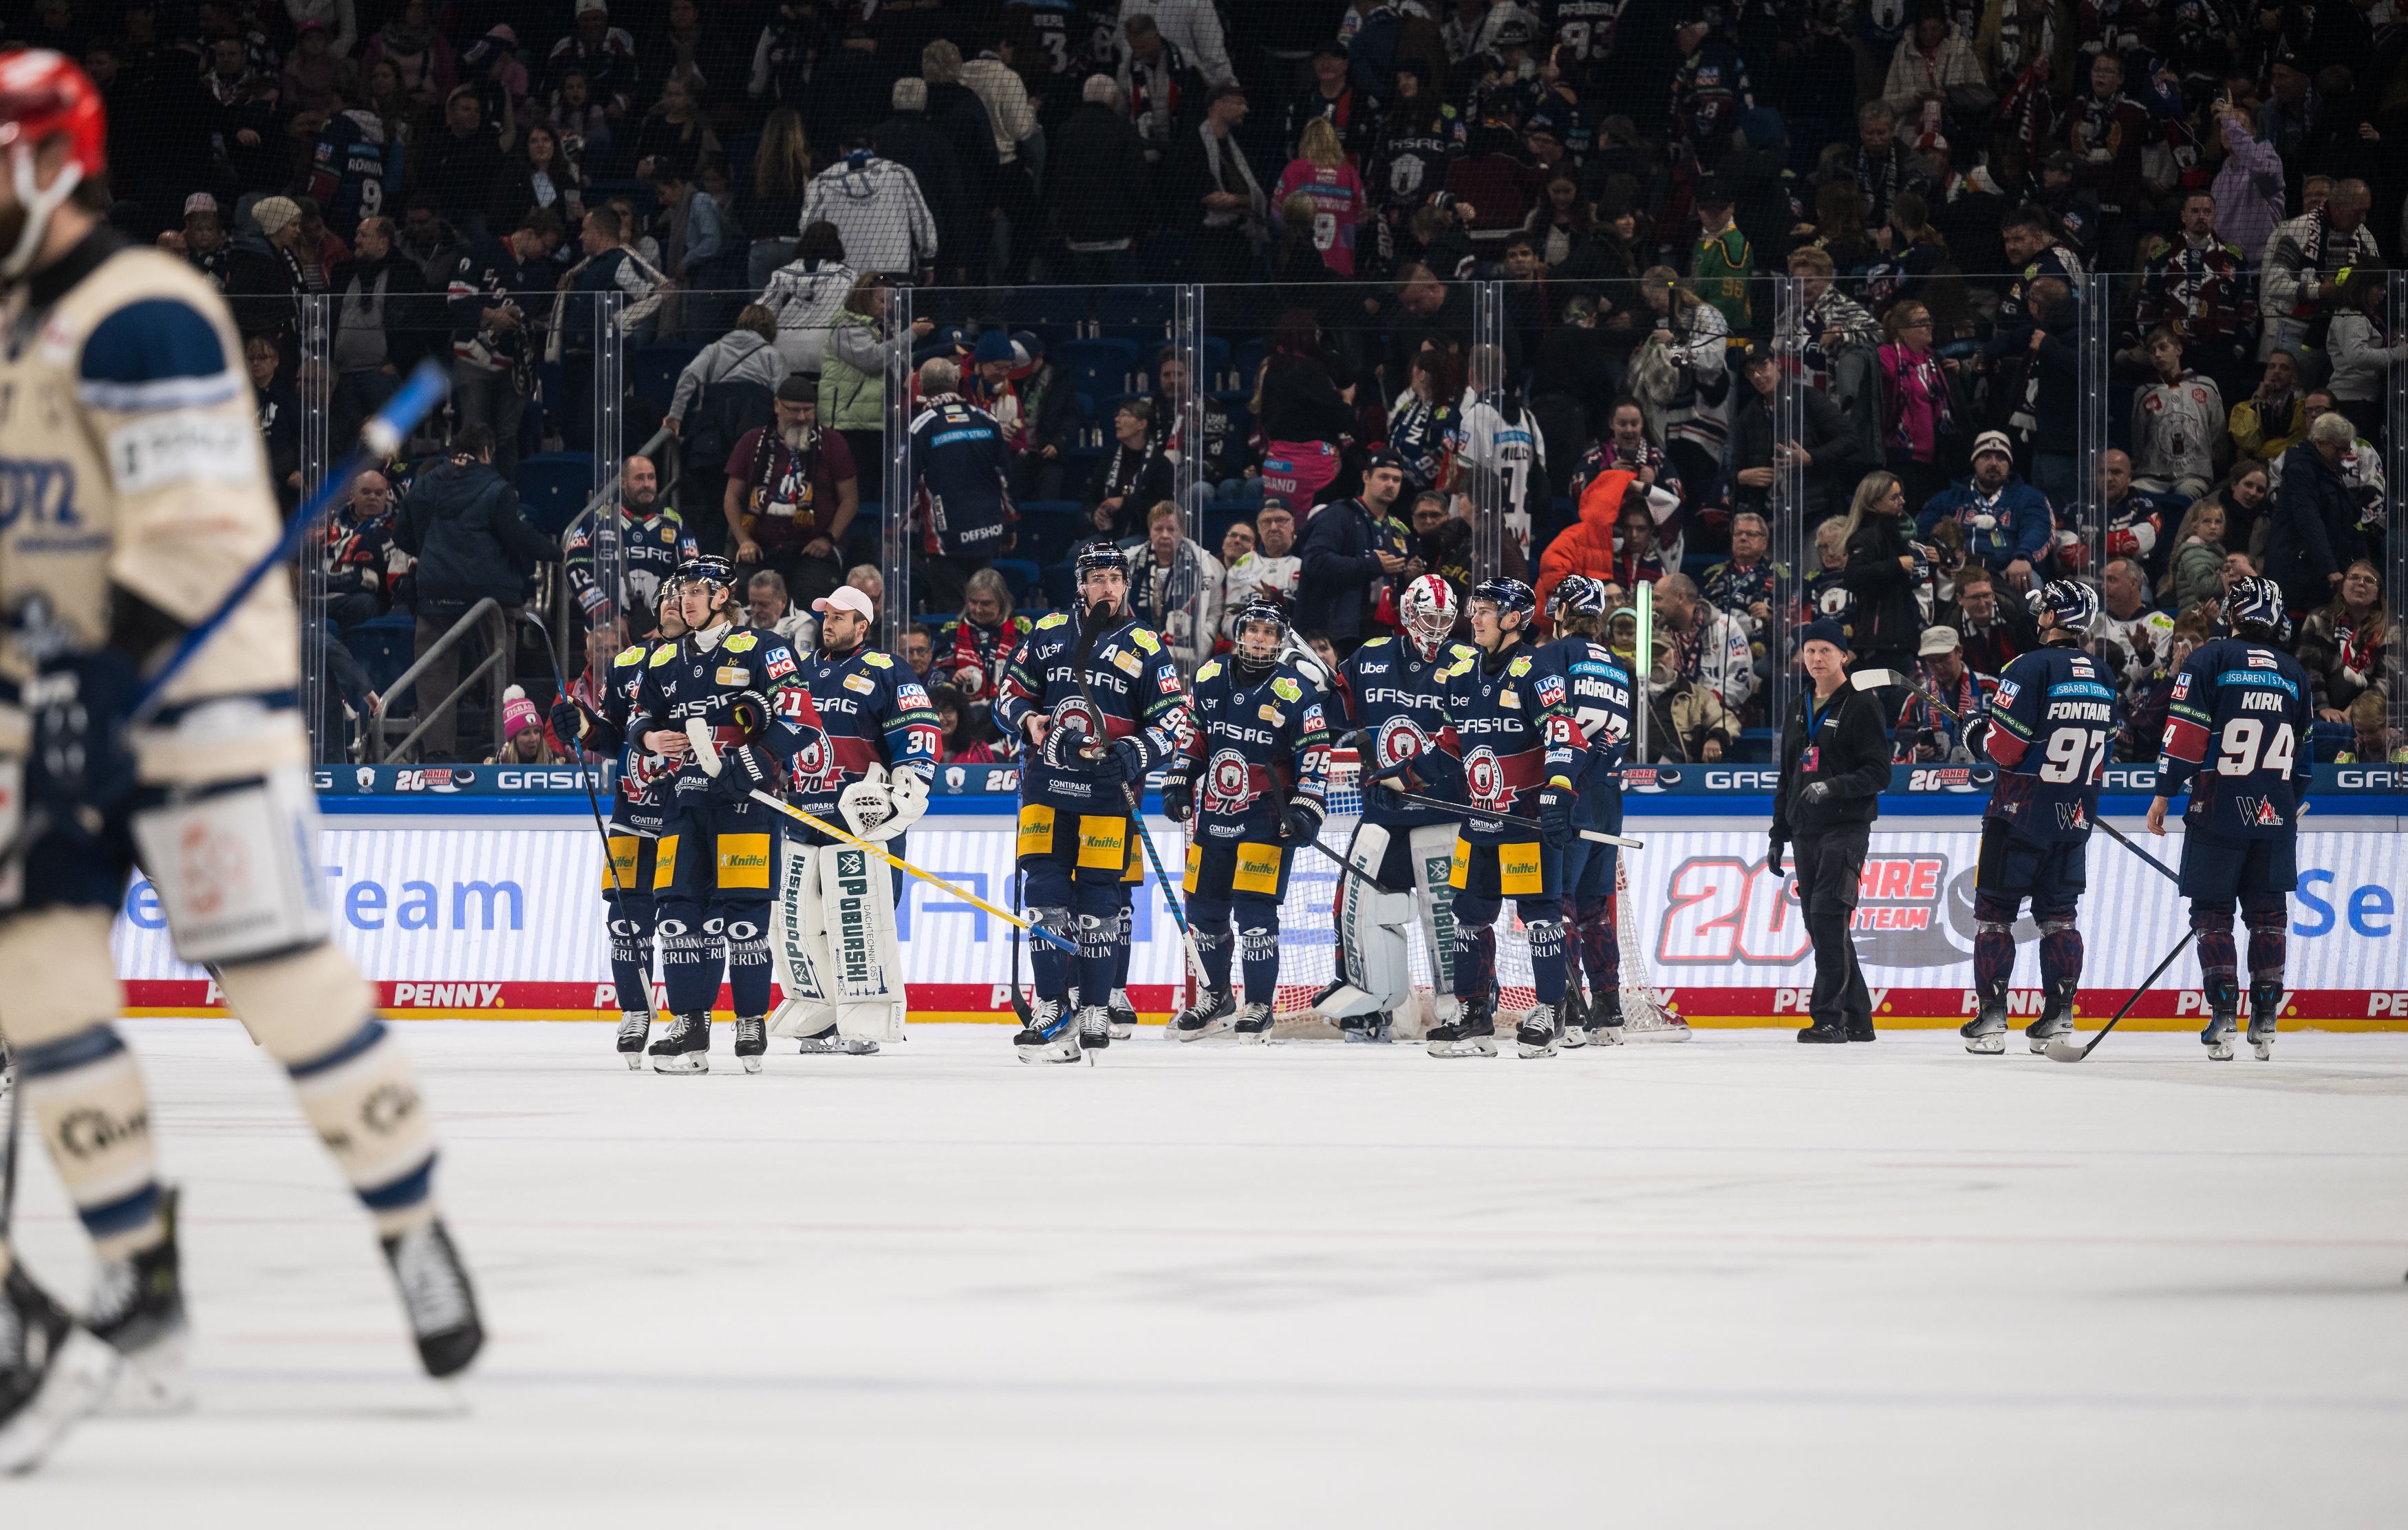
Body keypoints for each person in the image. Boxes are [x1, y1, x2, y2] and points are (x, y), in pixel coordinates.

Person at [0, 56, 480, 1467]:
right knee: (39, 984)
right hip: (57, 702)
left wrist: (95, 681)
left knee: (275, 971)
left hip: (196, 701)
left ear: (43, 164)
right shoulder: (20, 328)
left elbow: (197, 533)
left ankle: (412, 1229)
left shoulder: (146, 312)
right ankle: (136, 1267)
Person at [993, 544, 1196, 1062]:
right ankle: (1051, 1004)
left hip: (1110, 793)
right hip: (1046, 790)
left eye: (1115, 577)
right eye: (1097, 578)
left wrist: (1134, 751)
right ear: (1080, 585)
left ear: (1126, 584)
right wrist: (1029, 720)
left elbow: (1173, 720)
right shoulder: (1047, 632)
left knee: (1100, 902)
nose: (1108, 587)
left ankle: (1097, 1006)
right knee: (1045, 897)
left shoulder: (1146, 644)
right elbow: (1008, 694)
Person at [625, 557, 822, 1075]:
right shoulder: (665, 656)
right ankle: (691, 1021)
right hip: (684, 801)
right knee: (678, 915)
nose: (684, 599)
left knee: (743, 920)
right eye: (680, 591)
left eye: (696, 590)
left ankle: (750, 1019)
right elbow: (638, 712)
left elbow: (801, 718)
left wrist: (757, 760)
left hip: (746, 805)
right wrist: (647, 736)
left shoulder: (763, 648)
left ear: (721, 596)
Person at [2149, 578, 2315, 1062]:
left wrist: (2163, 793)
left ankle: (2223, 1017)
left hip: (2217, 809)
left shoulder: (2210, 659)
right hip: (2275, 815)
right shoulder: (2294, 672)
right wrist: (2284, 803)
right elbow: (2304, 760)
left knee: (2212, 915)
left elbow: (2183, 735)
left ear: (2232, 613)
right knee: (2268, 918)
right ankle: (2265, 1019)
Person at [770, 583, 940, 1055]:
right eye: (826, 615)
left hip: (861, 824)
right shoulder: (801, 673)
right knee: (802, 924)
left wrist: (904, 793)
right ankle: (821, 1022)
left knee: (857, 922)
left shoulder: (887, 671)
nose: (829, 622)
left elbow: (920, 733)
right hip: (804, 817)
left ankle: (862, 1024)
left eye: (841, 617)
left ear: (862, 626)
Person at [1417, 577, 1579, 1060]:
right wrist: (1401, 775)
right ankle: (1474, 1015)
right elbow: (1449, 747)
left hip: (1525, 823)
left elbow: (1564, 737)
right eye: (1475, 609)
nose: (1475, 619)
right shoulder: (1464, 674)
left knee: (1542, 917)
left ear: (1513, 619)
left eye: (1486, 610)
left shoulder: (1538, 670)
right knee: (1467, 918)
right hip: (1478, 822)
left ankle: (1550, 1011)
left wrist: (1559, 791)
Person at [1956, 579, 2117, 1053]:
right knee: (2060, 919)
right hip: (2075, 815)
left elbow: (2004, 750)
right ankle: (2060, 1018)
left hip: (2018, 812)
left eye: (2044, 609)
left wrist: (1974, 736)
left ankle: (1991, 1019)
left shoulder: (2026, 667)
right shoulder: (2104, 674)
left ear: (2053, 617)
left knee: (1994, 918)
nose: (2038, 615)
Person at [1160, 601, 1332, 1040]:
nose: (1258, 637)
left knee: (1256, 915)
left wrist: (1306, 808)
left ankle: (1259, 1004)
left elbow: (1315, 755)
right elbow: (1195, 736)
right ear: (1239, 634)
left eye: (1268, 632)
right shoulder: (1210, 676)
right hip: (1214, 813)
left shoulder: (1296, 690)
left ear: (1280, 641)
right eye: (1252, 629)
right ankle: (1216, 995)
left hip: (1265, 819)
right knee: (1205, 912)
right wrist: (1180, 779)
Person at [1320, 574, 1475, 1043]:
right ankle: (1368, 1005)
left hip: (1441, 812)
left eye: (1447, 620)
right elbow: (1333, 711)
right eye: (1430, 617)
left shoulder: (1467, 662)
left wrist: (1410, 775)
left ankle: (1459, 1006)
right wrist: (1314, 685)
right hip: (1383, 815)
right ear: (1409, 615)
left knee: (1447, 916)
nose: (1438, 627)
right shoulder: (1369, 658)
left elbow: (1467, 739)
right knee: (1356, 907)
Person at [389, 423, 562, 760]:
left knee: (434, 675)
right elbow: (515, 535)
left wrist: (433, 552)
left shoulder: (424, 484)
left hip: (435, 592)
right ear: (486, 452)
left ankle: (437, 753)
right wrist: (557, 552)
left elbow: (400, 535)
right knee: (500, 670)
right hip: (489, 597)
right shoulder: (496, 487)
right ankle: (496, 740)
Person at [1770, 621, 1894, 1044]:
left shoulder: (1861, 703)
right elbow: (1788, 775)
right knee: (1823, 924)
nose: (1817, 658)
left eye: (1826, 650)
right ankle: (1858, 1019)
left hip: (1846, 827)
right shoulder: (1797, 704)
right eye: (1810, 651)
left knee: (1827, 917)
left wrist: (1834, 786)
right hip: (1805, 831)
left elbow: (1880, 773)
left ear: (1845, 656)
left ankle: (1828, 1017)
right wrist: (1777, 833)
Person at [1535, 577, 1637, 1043]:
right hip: (1609, 796)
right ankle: (1609, 1008)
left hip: (1569, 791)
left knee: (1562, 904)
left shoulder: (1555, 655)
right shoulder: (1619, 664)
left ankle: (1570, 1006)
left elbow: (1550, 724)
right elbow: (1622, 738)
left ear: (1562, 611)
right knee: (1597, 907)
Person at [723, 373, 857, 610]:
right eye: (794, 410)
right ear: (777, 406)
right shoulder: (752, 441)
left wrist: (828, 539)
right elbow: (731, 498)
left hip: (812, 548)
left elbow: (850, 499)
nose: (802, 417)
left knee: (813, 595)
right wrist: (744, 541)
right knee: (741, 593)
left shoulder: (832, 443)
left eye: (808, 410)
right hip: (760, 546)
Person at [907, 356, 1015, 612]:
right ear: (956, 381)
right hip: (986, 533)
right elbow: (1005, 479)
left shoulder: (920, 427)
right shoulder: (987, 420)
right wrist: (1009, 523)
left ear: (920, 387)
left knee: (953, 616)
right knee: (984, 610)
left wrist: (902, 531)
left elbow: (908, 487)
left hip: (945, 540)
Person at [562, 453, 694, 636]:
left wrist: (669, 623)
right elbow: (575, 568)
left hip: (660, 632)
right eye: (639, 478)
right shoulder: (598, 519)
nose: (647, 484)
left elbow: (691, 577)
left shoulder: (674, 523)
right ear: (623, 483)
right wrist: (609, 617)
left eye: (651, 477)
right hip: (606, 633)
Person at [1295, 449, 1412, 651]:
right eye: (1384, 477)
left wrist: (1410, 573)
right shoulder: (1338, 515)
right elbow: (1315, 561)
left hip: (1382, 629)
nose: (1391, 484)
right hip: (1339, 633)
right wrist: (1371, 565)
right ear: (1366, 477)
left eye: (1396, 479)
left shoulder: (1396, 527)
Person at [1916, 430, 2051, 592]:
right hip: (1955, 571)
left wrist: (2023, 557)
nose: (1994, 464)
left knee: (2031, 584)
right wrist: (1939, 554)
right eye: (1986, 457)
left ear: (2009, 464)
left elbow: (2037, 528)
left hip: (2005, 572)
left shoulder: (2028, 497)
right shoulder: (1949, 498)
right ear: (1974, 461)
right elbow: (1922, 530)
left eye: (2001, 458)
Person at [2264, 411, 2367, 620]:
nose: (2344, 456)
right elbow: (2309, 520)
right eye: (2339, 449)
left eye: (2347, 449)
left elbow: (2348, 517)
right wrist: (2329, 568)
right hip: (2297, 573)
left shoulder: (2329, 470)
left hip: (2317, 571)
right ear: (2319, 442)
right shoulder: (2300, 470)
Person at [1125, 502, 1224, 680]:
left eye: (1171, 529)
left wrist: (1204, 638)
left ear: (1182, 532)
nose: (1164, 535)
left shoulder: (1207, 565)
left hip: (1186, 664)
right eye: (1158, 529)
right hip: (1132, 658)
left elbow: (1215, 612)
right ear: (1150, 531)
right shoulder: (1129, 562)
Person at [2127, 328, 2223, 504]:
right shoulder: (2144, 393)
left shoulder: (2206, 386)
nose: (2157, 354)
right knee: (2133, 495)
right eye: (2152, 351)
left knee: (2185, 496)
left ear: (2178, 350)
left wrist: (2208, 463)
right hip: (2152, 474)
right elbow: (2138, 440)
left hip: (2194, 473)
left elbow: (2218, 433)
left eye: (2163, 348)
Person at [2294, 560, 2393, 723]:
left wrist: (2359, 708)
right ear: (2342, 588)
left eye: (2369, 580)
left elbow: (2388, 679)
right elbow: (2308, 670)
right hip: (2323, 710)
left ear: (2377, 595)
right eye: (2354, 577)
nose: (2361, 583)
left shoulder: (2389, 629)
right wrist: (2322, 707)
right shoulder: (2318, 620)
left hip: (2372, 713)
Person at [934, 568, 1029, 719]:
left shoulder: (1022, 629)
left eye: (986, 604)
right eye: (973, 602)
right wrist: (952, 676)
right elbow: (934, 675)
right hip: (963, 717)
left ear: (1002, 602)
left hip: (1011, 713)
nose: (978, 610)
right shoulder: (951, 630)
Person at [1895, 625, 1998, 763]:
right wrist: (1915, 751)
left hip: (1985, 777)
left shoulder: (1992, 689)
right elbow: (1900, 744)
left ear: (1959, 652)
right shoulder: (1917, 698)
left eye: (1944, 658)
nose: (1938, 666)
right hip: (1933, 780)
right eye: (1931, 661)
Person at [1084, 396, 1173, 542]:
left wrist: (1125, 503)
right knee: (1076, 553)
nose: (1117, 420)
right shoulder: (1109, 459)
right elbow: (1092, 498)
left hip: (1143, 533)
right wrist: (1096, 513)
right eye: (1117, 415)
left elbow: (1162, 509)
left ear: (1142, 424)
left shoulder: (1160, 464)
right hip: (1110, 530)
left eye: (1125, 415)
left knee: (1115, 553)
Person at [1221, 504, 1301, 629]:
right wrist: (1251, 629)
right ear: (1258, 527)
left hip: (1292, 644)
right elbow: (1228, 619)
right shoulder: (1242, 564)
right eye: (1267, 521)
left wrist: (1283, 604)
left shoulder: (1307, 561)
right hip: (1248, 643)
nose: (1273, 527)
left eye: (1280, 520)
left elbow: (1315, 618)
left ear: (1292, 524)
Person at [746, 568, 813, 647]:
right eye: (753, 603)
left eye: (763, 604)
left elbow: (803, 659)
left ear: (783, 601)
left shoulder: (803, 622)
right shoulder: (739, 617)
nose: (756, 610)